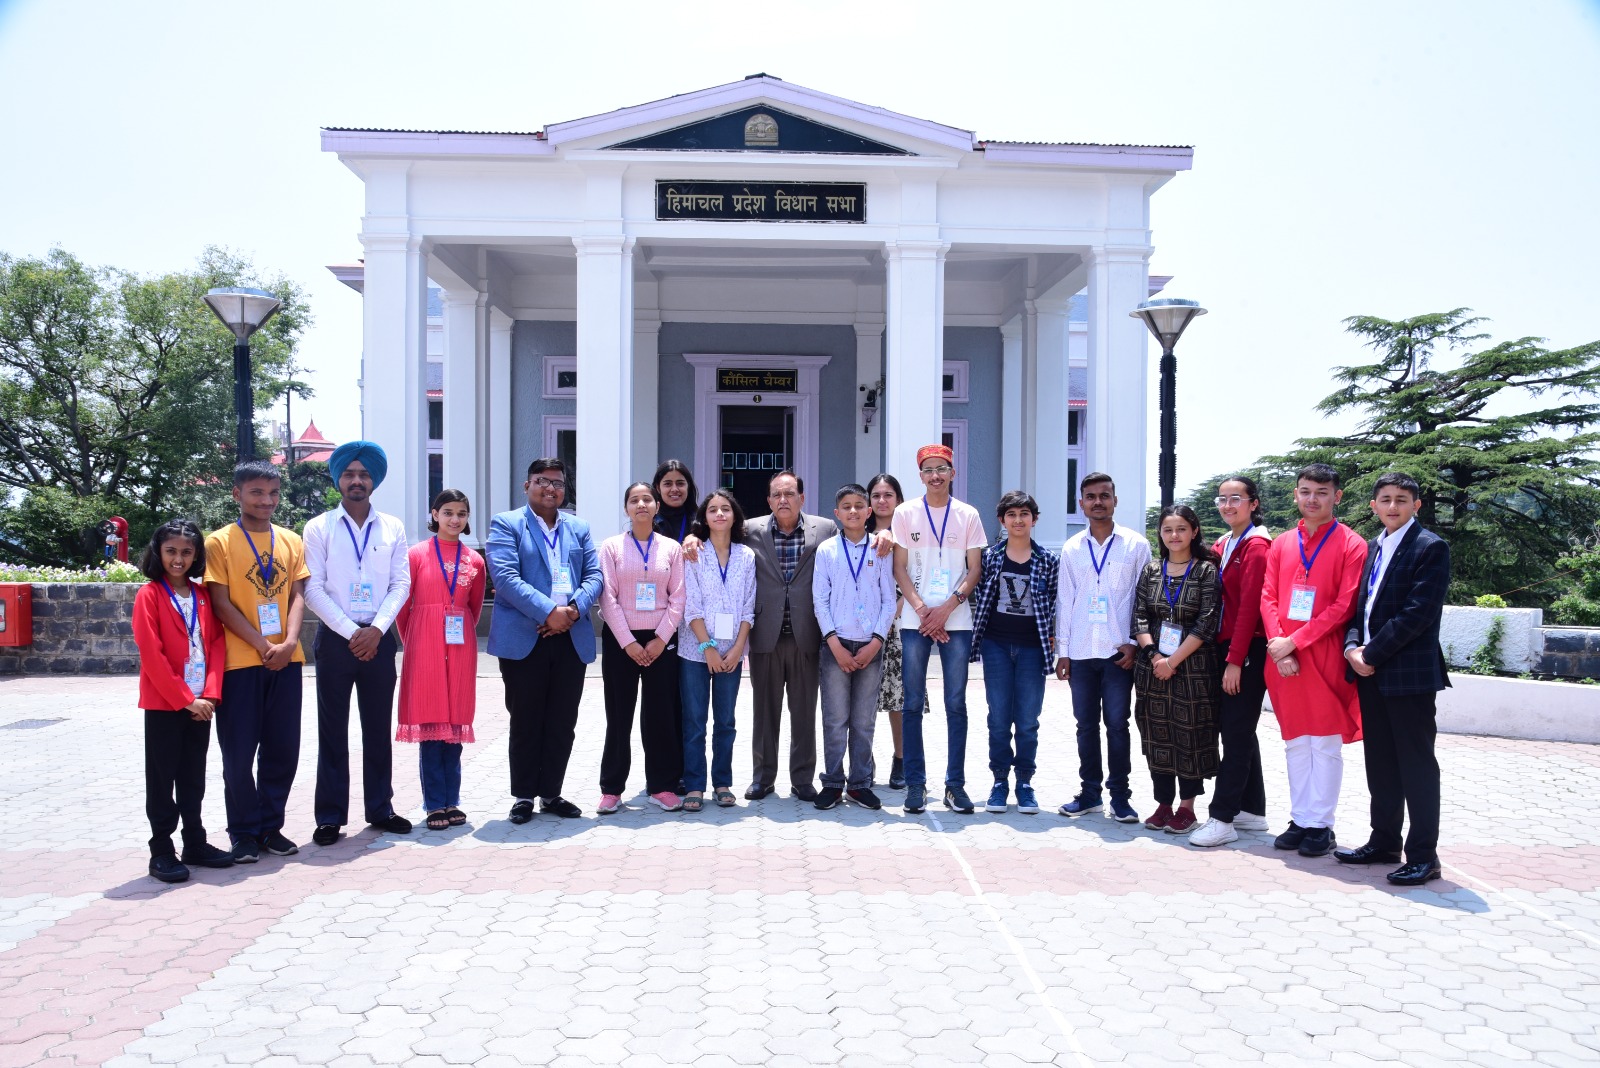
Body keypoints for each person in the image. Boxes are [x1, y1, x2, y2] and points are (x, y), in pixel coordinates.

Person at [1337, 472, 1452, 886]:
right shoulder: (1373, 548)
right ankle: (1384, 841)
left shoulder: (1430, 547)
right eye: (1385, 499)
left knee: (1416, 766)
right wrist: (1352, 647)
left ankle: (1424, 856)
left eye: (1401, 499)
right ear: (1373, 505)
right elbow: (1359, 609)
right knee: (1381, 763)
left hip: (1408, 674)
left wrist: (1371, 653)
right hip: (1368, 670)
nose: (1392, 506)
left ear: (1416, 505)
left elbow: (1418, 614)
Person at [302, 442, 412, 846]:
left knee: (377, 728)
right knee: (333, 729)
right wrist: (353, 632)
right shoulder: (318, 527)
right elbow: (312, 587)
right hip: (335, 639)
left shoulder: (393, 528)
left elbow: (401, 582)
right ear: (338, 479)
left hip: (380, 639)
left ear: (375, 480)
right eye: (349, 473)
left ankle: (380, 808)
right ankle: (330, 816)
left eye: (364, 474)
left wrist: (377, 629)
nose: (356, 480)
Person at [204, 460, 311, 863]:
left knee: (283, 749)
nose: (266, 501)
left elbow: (297, 596)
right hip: (241, 662)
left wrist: (288, 642)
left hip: (287, 660)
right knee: (238, 753)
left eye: (273, 493)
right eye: (256, 493)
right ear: (237, 494)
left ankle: (271, 826)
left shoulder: (290, 540)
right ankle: (244, 832)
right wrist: (264, 644)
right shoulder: (219, 542)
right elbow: (220, 602)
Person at [1260, 462, 1368, 858]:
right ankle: (1300, 818)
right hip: (1282, 654)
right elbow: (1268, 595)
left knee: (1323, 743)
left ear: (1336, 496)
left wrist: (1294, 643)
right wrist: (1277, 642)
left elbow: (1344, 605)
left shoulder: (1353, 544)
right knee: (1294, 742)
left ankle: (1321, 825)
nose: (1312, 499)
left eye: (1321, 492)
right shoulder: (1283, 542)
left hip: (1321, 653)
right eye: (1305, 491)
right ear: (1295, 494)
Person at [486, 458, 603, 823]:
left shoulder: (578, 528)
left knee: (562, 720)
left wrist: (571, 610)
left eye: (557, 482)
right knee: (526, 718)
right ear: (527, 486)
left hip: (570, 635)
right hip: (527, 635)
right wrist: (546, 612)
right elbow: (505, 577)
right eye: (542, 481)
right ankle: (523, 795)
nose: (550, 488)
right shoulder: (507, 524)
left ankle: (551, 793)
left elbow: (595, 575)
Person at [131, 520, 234, 883]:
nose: (179, 559)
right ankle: (161, 851)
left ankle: (195, 842)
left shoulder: (203, 595)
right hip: (166, 704)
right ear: (158, 552)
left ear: (196, 555)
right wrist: (185, 698)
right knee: (162, 778)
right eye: (171, 551)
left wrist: (209, 693)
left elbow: (217, 645)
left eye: (187, 552)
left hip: (201, 705)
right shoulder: (150, 595)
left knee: (193, 776)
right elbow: (151, 653)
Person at [891, 444, 988, 815]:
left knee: (955, 704)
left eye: (942, 469)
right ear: (920, 476)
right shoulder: (905, 513)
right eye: (928, 470)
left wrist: (946, 608)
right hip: (916, 619)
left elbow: (974, 569)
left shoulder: (967, 514)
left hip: (956, 620)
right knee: (912, 702)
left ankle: (955, 785)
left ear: (953, 472)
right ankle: (915, 785)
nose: (935, 475)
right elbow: (900, 567)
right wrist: (921, 609)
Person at [1054, 473, 1152, 823]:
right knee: (1085, 726)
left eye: (1104, 496)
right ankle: (1090, 793)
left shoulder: (1136, 545)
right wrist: (1062, 650)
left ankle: (1121, 797)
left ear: (1115, 500)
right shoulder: (1071, 548)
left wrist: (1135, 644)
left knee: (1117, 724)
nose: (1098, 502)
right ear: (1080, 503)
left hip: (1118, 652)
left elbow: (1145, 600)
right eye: (1091, 496)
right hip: (1080, 651)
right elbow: (1065, 600)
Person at [1190, 477, 1275, 848]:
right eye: (1222, 499)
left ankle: (1222, 818)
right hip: (1227, 649)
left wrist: (1235, 661)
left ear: (1253, 504)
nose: (1227, 505)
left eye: (1235, 499)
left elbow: (1250, 610)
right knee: (1238, 729)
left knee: (1237, 733)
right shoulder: (1225, 544)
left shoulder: (1257, 546)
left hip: (1247, 650)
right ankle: (1252, 810)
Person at [395, 489, 487, 831]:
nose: (454, 519)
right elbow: (403, 607)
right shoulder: (415, 555)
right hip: (424, 643)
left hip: (460, 643)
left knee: (455, 724)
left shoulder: (474, 560)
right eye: (447, 512)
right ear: (434, 514)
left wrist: (456, 628)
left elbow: (474, 608)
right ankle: (434, 803)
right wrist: (416, 640)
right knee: (432, 724)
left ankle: (453, 800)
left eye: (461, 513)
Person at [741, 471, 834, 801]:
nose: (783, 499)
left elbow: (853, 543)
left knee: (804, 711)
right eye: (777, 494)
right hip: (765, 634)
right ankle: (763, 778)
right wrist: (694, 539)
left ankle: (802, 778)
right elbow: (716, 535)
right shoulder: (749, 530)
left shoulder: (825, 529)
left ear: (802, 498)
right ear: (768, 500)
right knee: (764, 712)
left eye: (790, 493)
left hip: (805, 634)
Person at [1131, 506, 1223, 834]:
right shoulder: (1152, 570)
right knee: (1156, 733)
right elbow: (1140, 616)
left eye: (1181, 529)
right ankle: (1162, 804)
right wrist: (1156, 656)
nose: (1174, 536)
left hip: (1193, 669)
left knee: (1190, 735)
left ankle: (1187, 807)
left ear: (1194, 531)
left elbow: (1206, 622)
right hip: (1152, 669)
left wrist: (1173, 661)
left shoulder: (1206, 571)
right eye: (1168, 530)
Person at [597, 482, 688, 814]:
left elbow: (678, 597)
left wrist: (661, 638)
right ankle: (612, 788)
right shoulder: (611, 547)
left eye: (647, 499)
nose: (641, 505)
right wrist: (629, 643)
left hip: (661, 640)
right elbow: (607, 597)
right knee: (618, 716)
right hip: (622, 640)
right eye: (634, 500)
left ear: (656, 506)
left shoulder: (671, 549)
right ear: (626, 509)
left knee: (661, 715)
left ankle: (661, 785)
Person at [969, 491, 1060, 815]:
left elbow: (1054, 604)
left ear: (1033, 519)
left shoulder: (1048, 560)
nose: (1018, 520)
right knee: (997, 719)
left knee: (1027, 720)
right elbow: (979, 596)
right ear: (1002, 520)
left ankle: (1024, 783)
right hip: (995, 646)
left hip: (1032, 650)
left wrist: (1055, 644)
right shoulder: (990, 557)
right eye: (1012, 514)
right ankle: (998, 783)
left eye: (1024, 514)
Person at [812, 484, 899, 811]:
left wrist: (875, 642)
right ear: (837, 513)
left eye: (859, 505)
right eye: (846, 506)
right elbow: (819, 600)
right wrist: (833, 643)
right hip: (835, 645)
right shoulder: (827, 551)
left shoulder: (881, 549)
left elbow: (889, 601)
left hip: (870, 647)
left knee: (863, 721)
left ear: (868, 512)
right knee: (834, 719)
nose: (853, 511)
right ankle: (833, 783)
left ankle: (860, 784)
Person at [679, 489, 756, 811]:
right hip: (695, 651)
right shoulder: (694, 553)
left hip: (733, 653)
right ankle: (694, 784)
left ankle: (722, 782)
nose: (720, 514)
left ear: (735, 515)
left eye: (726, 509)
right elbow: (690, 604)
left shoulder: (747, 556)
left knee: (726, 721)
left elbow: (749, 605)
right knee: (695, 721)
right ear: (704, 517)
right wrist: (707, 647)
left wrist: (739, 647)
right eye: (713, 509)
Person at [866, 474, 908, 789]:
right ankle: (862, 760)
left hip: (901, 622)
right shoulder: (857, 532)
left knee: (898, 697)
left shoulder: (910, 532)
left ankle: (901, 759)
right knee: (861, 697)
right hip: (865, 625)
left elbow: (917, 571)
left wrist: (903, 603)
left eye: (888, 494)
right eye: (876, 495)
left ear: (898, 498)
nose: (882, 500)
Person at [652, 460, 700, 545]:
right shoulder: (649, 521)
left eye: (680, 484)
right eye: (668, 484)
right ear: (658, 488)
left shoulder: (701, 521)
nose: (674, 489)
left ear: (688, 486)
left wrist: (695, 536)